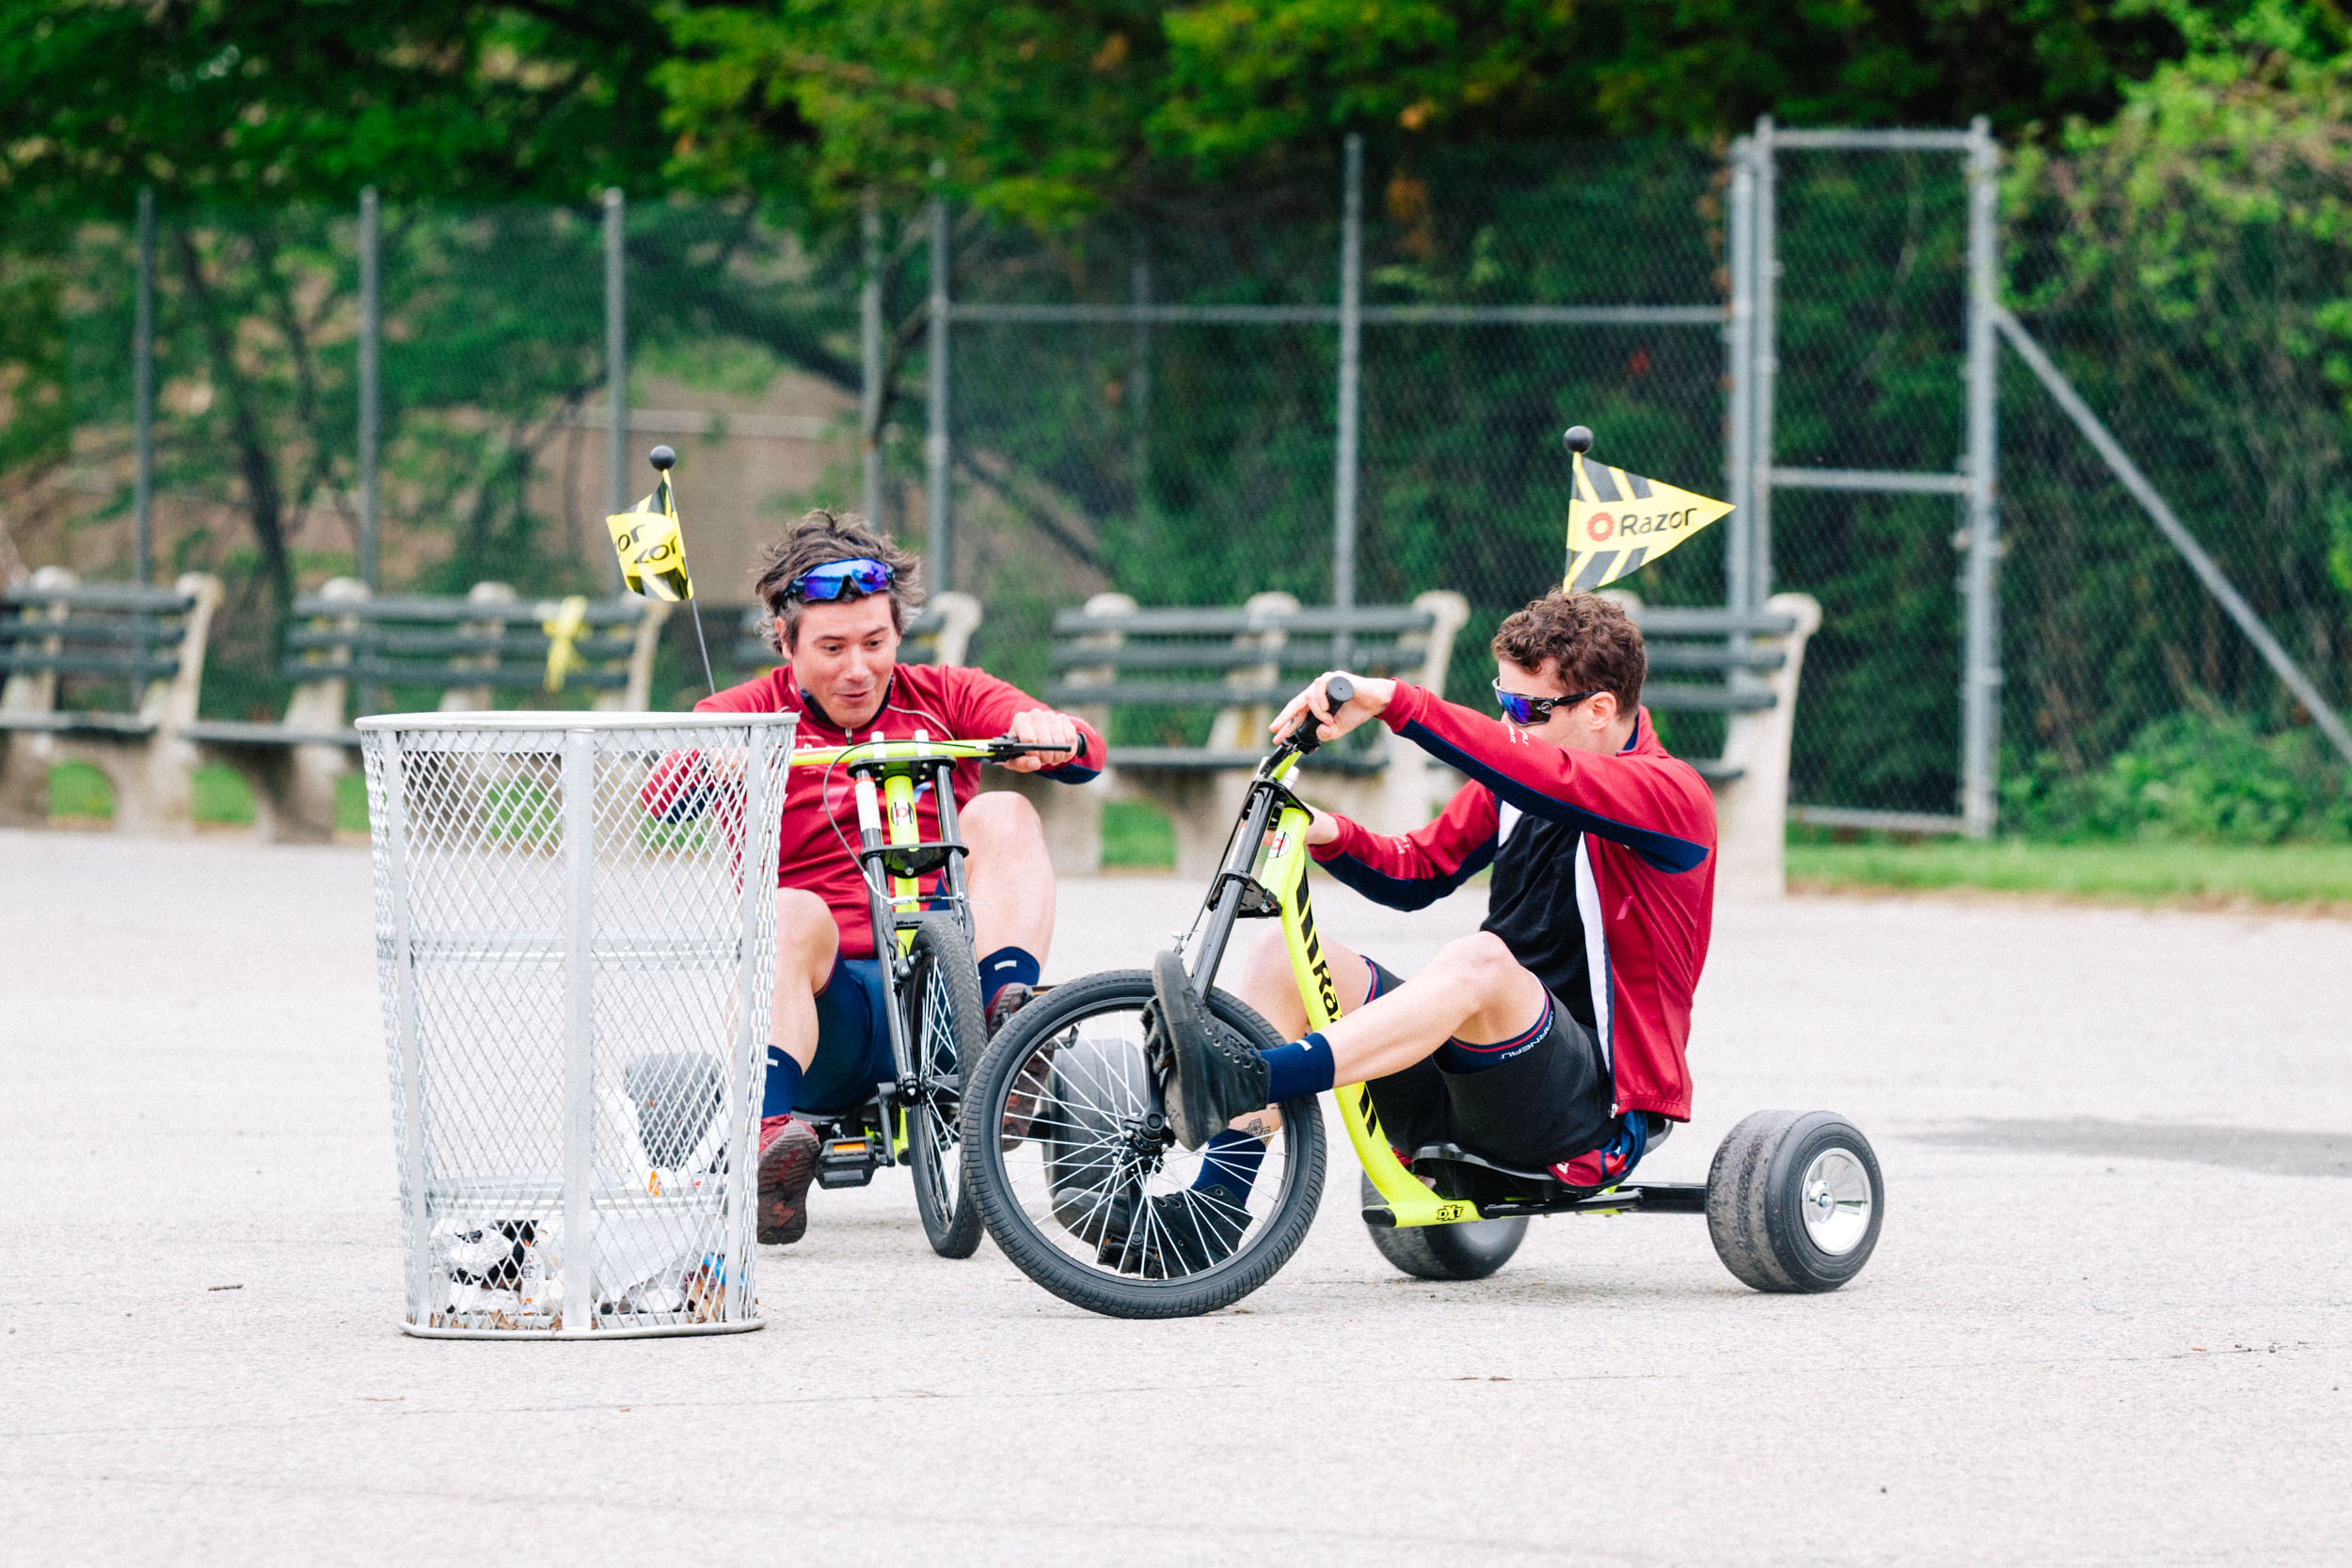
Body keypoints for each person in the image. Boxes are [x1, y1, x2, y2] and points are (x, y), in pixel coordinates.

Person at [1124, 589, 1717, 1274]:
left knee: (1480, 959)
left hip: (1586, 1115)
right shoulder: (1515, 790)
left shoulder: (1671, 797)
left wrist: (1396, 702)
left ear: (1601, 709)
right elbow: (1416, 872)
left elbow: (1542, 771)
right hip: (1475, 1081)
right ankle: (1211, 1211)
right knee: (1276, 956)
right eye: (1502, 698)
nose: (1508, 721)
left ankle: (1253, 1077)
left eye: (1527, 709)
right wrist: (1328, 830)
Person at [644, 511, 1104, 1247]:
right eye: (830, 647)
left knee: (1006, 810)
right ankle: (769, 1144)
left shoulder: (947, 694)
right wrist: (704, 759)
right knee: (790, 909)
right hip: (834, 1019)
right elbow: (661, 794)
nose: (857, 668)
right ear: (785, 641)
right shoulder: (751, 710)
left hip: (948, 995)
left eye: (874, 643)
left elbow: (1082, 748)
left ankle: (1009, 1031)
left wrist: (1051, 730)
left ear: (897, 635)